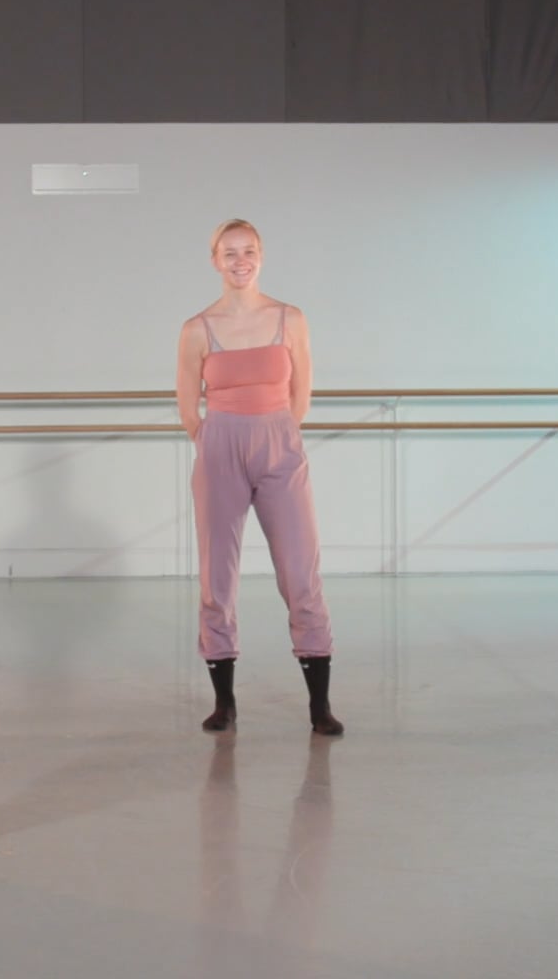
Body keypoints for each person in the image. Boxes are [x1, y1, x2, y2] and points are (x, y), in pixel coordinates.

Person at [176, 219, 342, 737]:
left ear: (262, 255)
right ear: (214, 261)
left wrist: (281, 432)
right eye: (229, 253)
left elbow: (303, 389)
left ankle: (319, 706)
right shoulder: (197, 328)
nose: (239, 260)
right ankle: (224, 702)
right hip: (220, 445)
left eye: (248, 251)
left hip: (278, 443)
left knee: (300, 573)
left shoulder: (288, 318)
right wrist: (210, 439)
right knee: (216, 577)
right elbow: (186, 401)